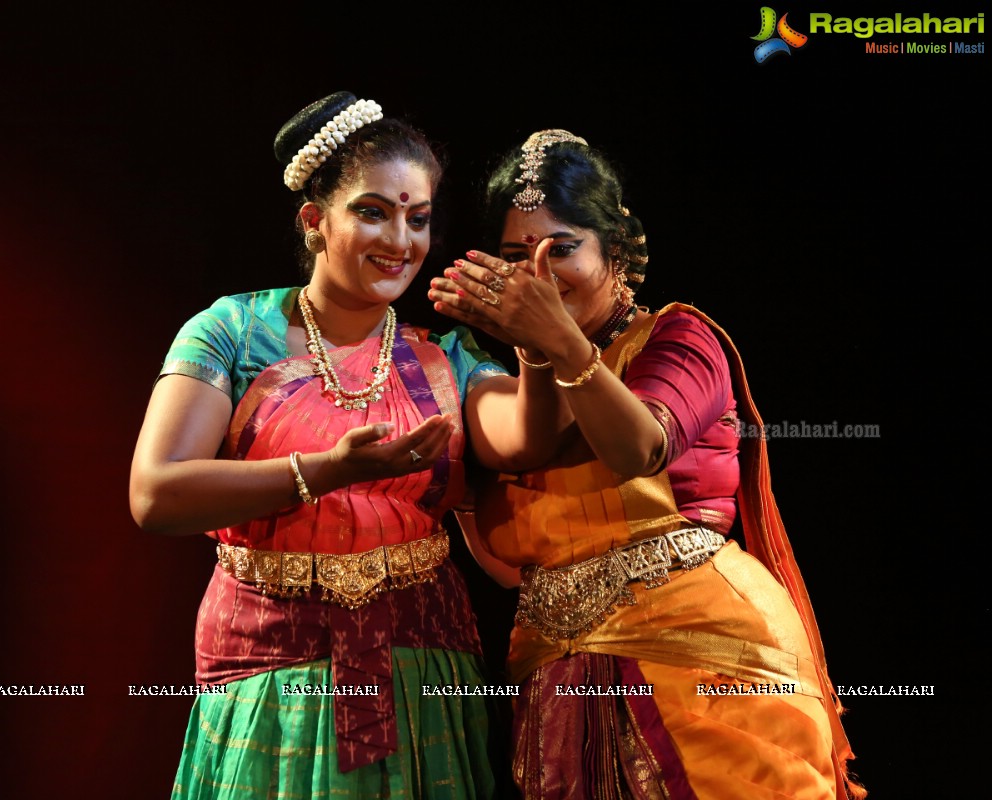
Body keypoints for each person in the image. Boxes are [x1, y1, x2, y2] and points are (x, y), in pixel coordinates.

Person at [129, 92, 545, 799]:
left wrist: (540, 342)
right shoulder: (231, 332)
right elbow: (155, 494)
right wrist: (325, 472)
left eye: (419, 219)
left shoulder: (448, 356)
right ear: (315, 221)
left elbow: (529, 443)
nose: (401, 241)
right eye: (373, 211)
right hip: (272, 667)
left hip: (422, 668)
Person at [428, 130, 864, 799]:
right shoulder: (503, 394)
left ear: (618, 252)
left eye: (562, 249)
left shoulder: (678, 340)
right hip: (560, 683)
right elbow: (511, 563)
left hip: (708, 665)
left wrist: (560, 346)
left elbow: (639, 449)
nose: (539, 276)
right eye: (517, 257)